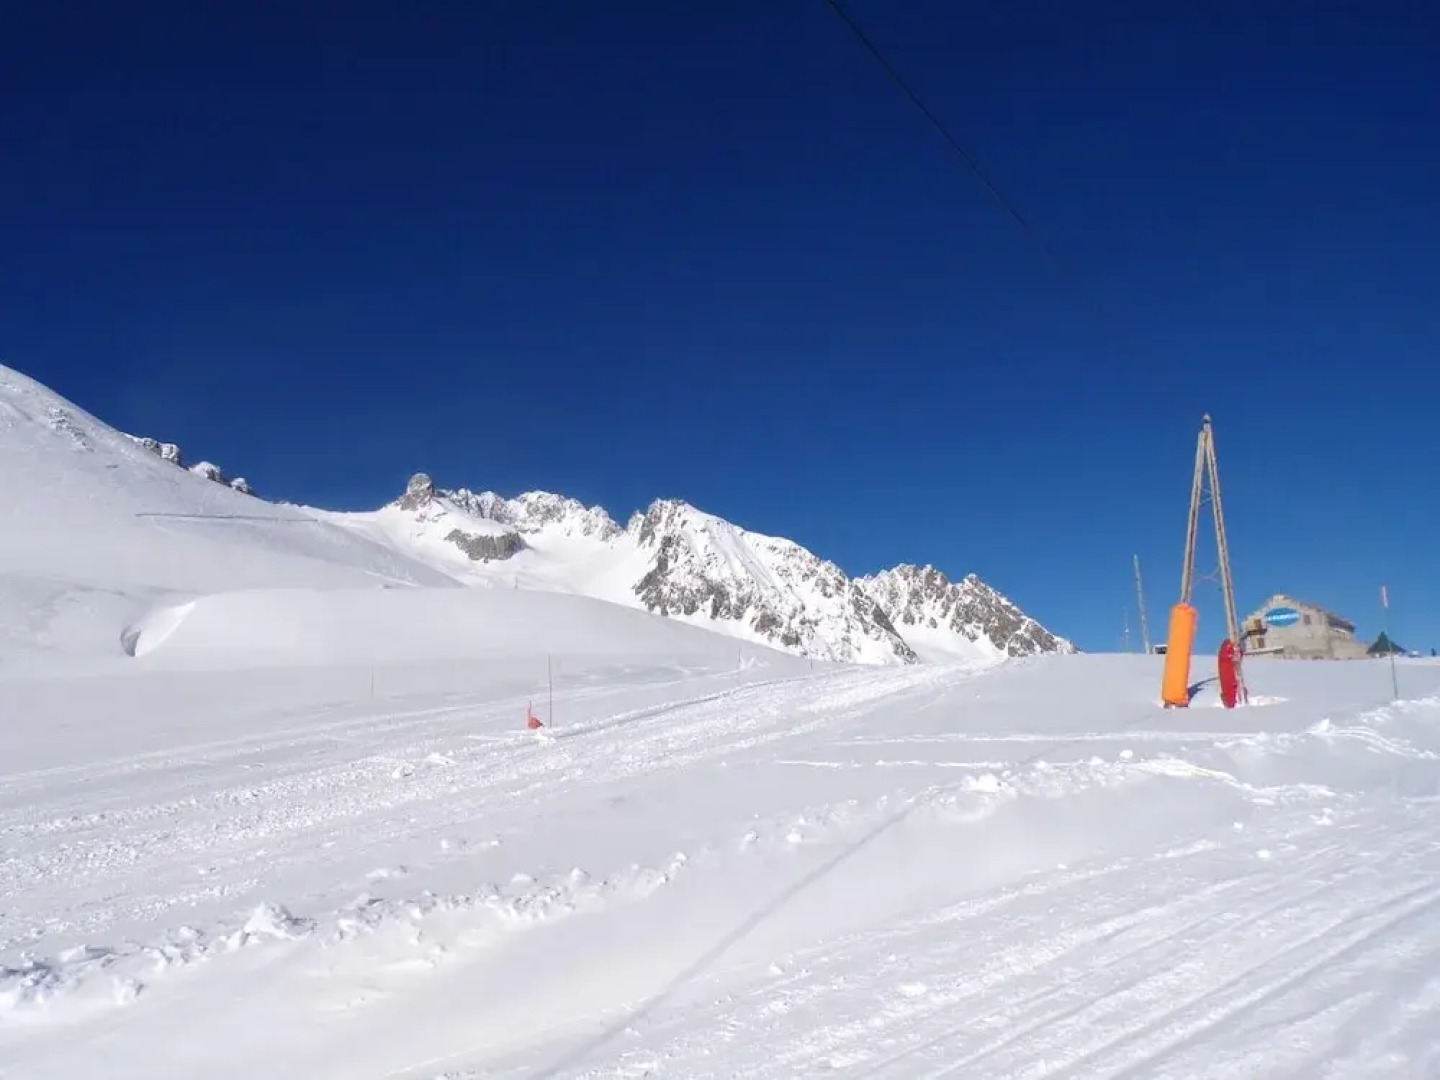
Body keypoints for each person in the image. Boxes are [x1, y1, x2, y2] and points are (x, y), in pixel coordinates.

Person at [1218, 638, 1241, 709]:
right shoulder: (1224, 651)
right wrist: (1232, 657)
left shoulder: (1229, 649)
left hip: (1231, 672)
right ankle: (1230, 703)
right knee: (1229, 688)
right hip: (1227, 673)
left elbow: (1236, 656)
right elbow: (1227, 657)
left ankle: (1233, 702)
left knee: (1232, 687)